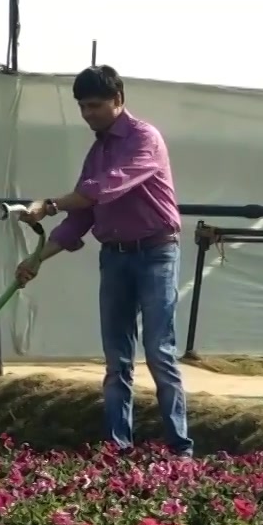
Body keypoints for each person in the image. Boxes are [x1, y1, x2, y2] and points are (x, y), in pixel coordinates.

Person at [16, 65, 192, 456]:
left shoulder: (144, 138)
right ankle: (117, 449)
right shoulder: (97, 151)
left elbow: (103, 189)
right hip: (115, 257)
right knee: (117, 359)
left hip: (155, 252)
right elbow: (81, 217)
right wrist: (36, 259)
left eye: (95, 105)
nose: (88, 114)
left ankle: (180, 450)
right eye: (82, 107)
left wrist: (48, 204)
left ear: (118, 100)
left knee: (159, 351)